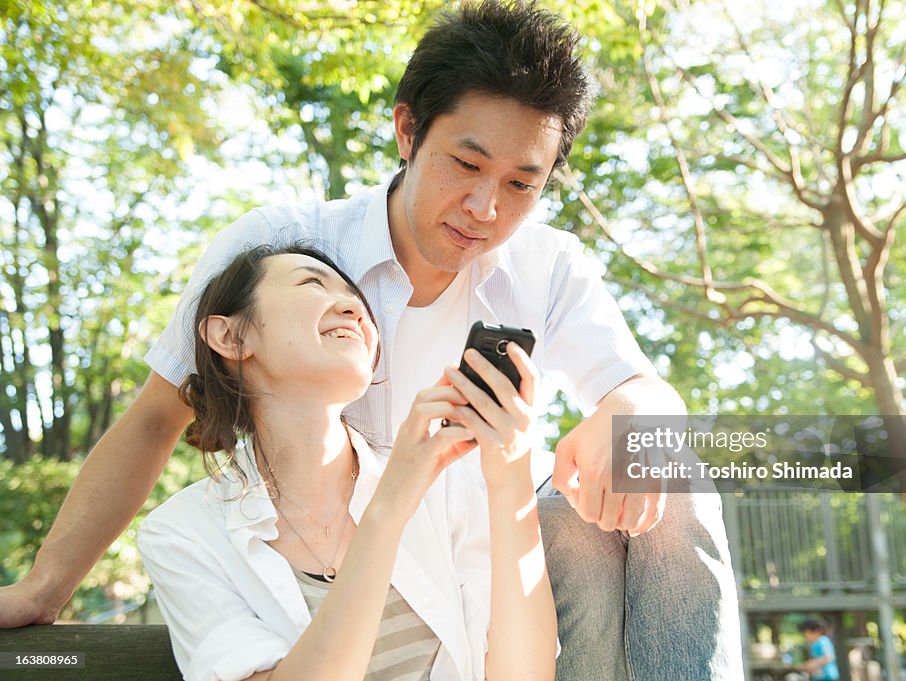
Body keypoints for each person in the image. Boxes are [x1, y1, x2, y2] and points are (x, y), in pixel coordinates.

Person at [0, 2, 741, 678]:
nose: (485, 207)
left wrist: (630, 412)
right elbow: (158, 418)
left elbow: (641, 389)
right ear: (408, 130)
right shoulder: (286, 250)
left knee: (667, 474)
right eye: (467, 164)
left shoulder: (547, 264)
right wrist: (45, 586)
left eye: (522, 184)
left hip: (495, 552)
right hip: (350, 568)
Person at [138, 244, 555, 680]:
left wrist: (510, 481)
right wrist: (388, 509)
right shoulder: (182, 533)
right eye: (311, 283)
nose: (354, 308)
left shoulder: (447, 485)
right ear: (231, 336)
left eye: (357, 299)